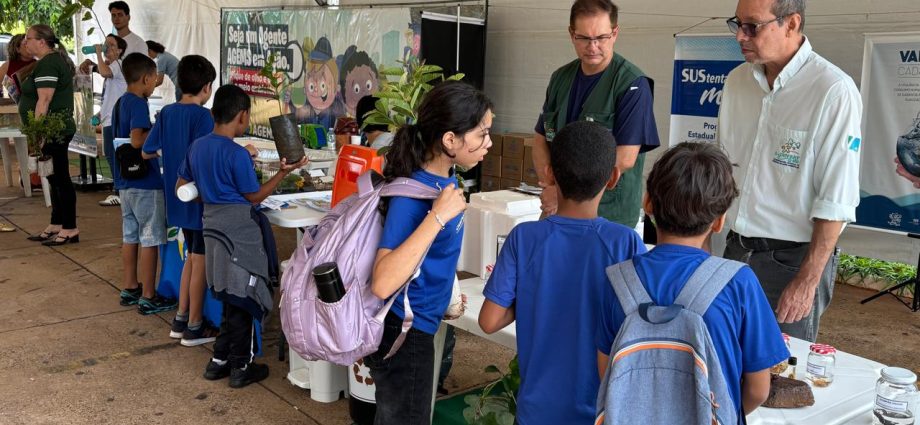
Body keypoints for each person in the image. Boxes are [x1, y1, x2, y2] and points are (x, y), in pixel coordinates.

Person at [596, 142, 789, 421]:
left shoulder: (617, 281)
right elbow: (759, 390)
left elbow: (608, 372)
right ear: (719, 221)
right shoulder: (738, 282)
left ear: (647, 203)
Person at [478, 121, 645, 425]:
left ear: (551, 174)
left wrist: (534, 297)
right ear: (613, 177)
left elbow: (489, 321)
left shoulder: (523, 238)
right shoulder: (625, 243)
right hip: (600, 413)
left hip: (535, 412)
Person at [718, 0, 861, 342]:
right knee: (725, 356)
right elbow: (721, 168)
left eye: (752, 26)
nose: (740, 36)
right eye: (737, 24)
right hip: (735, 250)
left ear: (791, 24)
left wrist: (807, 280)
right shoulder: (736, 82)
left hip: (792, 261)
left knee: (782, 368)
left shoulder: (832, 90)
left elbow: (836, 199)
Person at [365, 81, 492, 424]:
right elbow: (382, 282)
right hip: (405, 334)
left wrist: (445, 295)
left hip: (421, 323)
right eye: (482, 134)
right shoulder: (413, 195)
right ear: (450, 140)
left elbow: (433, 254)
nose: (489, 143)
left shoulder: (446, 180)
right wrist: (437, 217)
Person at [176, 85, 307, 388]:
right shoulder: (236, 154)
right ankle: (241, 366)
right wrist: (283, 173)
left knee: (228, 293)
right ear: (243, 116)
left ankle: (219, 360)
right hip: (239, 235)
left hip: (212, 228)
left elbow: (181, 186)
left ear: (213, 113)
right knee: (244, 296)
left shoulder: (197, 147)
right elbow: (254, 196)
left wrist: (212, 195)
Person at [532, 0, 659, 228]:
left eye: (601, 37)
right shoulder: (560, 78)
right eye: (584, 38)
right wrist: (550, 186)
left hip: (608, 214)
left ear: (615, 33)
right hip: (558, 209)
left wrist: (562, 192)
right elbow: (541, 139)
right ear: (572, 34)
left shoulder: (632, 84)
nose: (592, 46)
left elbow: (625, 158)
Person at [142, 55, 217, 345]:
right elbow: (205, 157)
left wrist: (170, 152)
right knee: (200, 259)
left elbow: (147, 150)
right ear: (207, 87)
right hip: (197, 198)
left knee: (191, 257)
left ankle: (181, 318)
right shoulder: (203, 117)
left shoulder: (167, 113)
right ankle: (195, 326)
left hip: (176, 198)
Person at [114, 52, 175, 314]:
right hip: (145, 182)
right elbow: (137, 140)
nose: (156, 84)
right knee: (150, 238)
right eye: (155, 79)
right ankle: (149, 295)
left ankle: (130, 287)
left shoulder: (120, 102)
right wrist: (159, 127)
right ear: (146, 78)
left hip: (125, 181)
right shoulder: (138, 102)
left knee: (130, 235)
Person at [19, 25, 80, 246]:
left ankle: (70, 228)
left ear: (42, 42)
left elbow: (44, 100)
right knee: (53, 177)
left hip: (55, 129)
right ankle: (57, 222)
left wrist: (38, 131)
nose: (25, 42)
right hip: (52, 129)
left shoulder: (49, 63)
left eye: (28, 38)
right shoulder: (47, 61)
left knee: (61, 178)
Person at [79, 34, 127, 207]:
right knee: (111, 154)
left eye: (111, 45)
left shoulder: (118, 64)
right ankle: (120, 189)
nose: (107, 47)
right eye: (106, 44)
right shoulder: (112, 69)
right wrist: (99, 115)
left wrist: (98, 53)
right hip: (109, 118)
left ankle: (120, 191)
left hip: (115, 120)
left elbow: (105, 71)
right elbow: (110, 98)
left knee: (114, 155)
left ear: (120, 50)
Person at [1, 34, 35, 102]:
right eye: (25, 44)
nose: (29, 47)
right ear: (18, 49)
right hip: (14, 106)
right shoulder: (7, 66)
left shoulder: (39, 63)